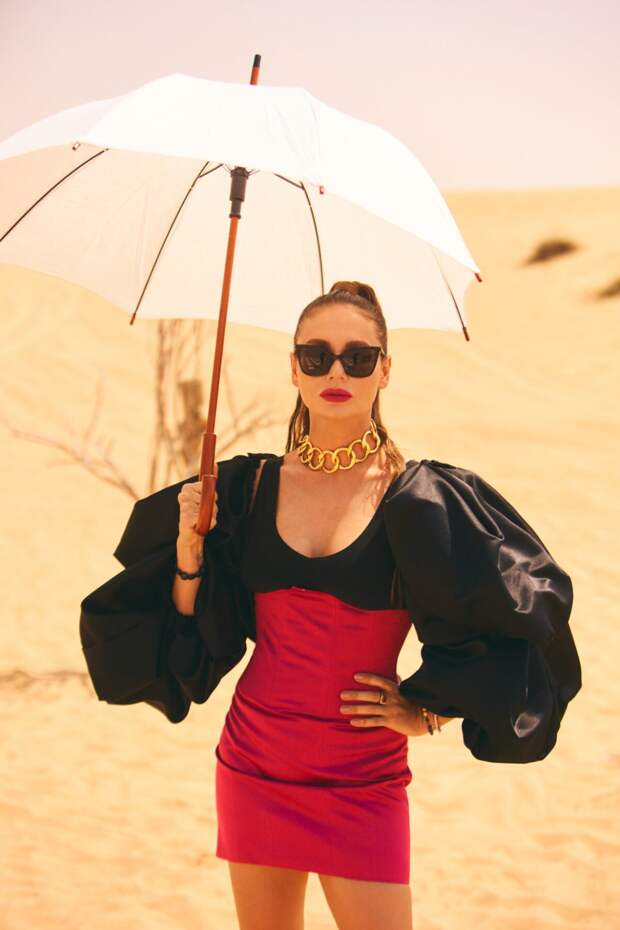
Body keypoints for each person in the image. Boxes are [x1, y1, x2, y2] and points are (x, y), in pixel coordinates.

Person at [80, 281, 581, 930]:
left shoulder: (421, 500)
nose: (336, 372)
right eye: (316, 357)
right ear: (294, 369)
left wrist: (427, 714)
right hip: (254, 763)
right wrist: (188, 548)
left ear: (385, 370)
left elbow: (515, 618)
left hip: (363, 778)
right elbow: (188, 627)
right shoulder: (249, 487)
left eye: (357, 357)